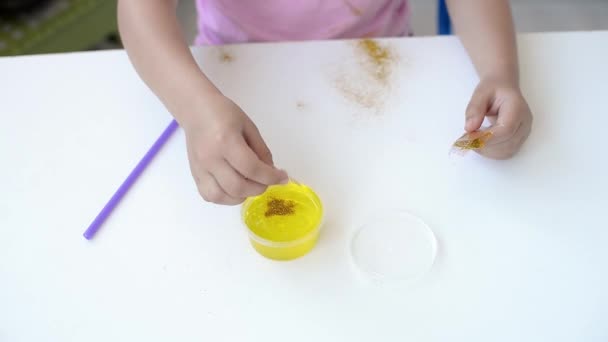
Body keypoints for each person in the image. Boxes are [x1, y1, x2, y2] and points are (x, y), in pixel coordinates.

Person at [118, 0, 533, 205]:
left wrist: (500, 73)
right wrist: (194, 108)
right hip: (232, 80)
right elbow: (139, 11)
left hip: (389, 74)